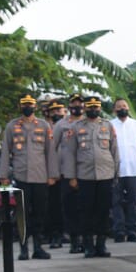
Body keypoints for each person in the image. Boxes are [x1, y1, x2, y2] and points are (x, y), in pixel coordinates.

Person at [0, 93, 55, 260]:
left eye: (30, 104)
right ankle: (24, 249)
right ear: (20, 106)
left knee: (40, 213)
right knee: (22, 214)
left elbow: (50, 152)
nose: (27, 107)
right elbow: (5, 152)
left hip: (40, 177)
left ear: (35, 107)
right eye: (24, 104)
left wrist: (52, 174)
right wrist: (3, 175)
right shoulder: (12, 126)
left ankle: (38, 247)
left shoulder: (44, 126)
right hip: (21, 175)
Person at [70, 97, 118, 258]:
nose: (93, 110)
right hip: (85, 176)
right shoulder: (77, 127)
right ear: (85, 109)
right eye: (90, 107)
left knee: (103, 211)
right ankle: (88, 245)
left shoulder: (107, 125)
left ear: (99, 109)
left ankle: (101, 244)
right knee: (86, 212)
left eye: (96, 107)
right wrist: (72, 176)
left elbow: (114, 151)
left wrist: (115, 173)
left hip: (105, 174)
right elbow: (71, 154)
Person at [109, 98, 136, 244]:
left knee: (133, 202)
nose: (122, 108)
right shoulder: (109, 125)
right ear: (114, 110)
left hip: (134, 170)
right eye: (119, 106)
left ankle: (132, 231)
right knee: (115, 202)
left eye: (124, 106)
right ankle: (119, 231)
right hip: (115, 171)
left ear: (128, 108)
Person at [54, 94, 84, 252]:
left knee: (85, 208)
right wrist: (53, 171)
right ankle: (74, 241)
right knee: (70, 208)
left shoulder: (89, 123)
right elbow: (53, 148)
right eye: (74, 103)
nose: (77, 106)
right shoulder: (61, 125)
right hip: (66, 172)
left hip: (86, 172)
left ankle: (86, 240)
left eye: (80, 104)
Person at [40, 98, 67, 247]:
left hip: (66, 172)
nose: (56, 113)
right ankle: (50, 234)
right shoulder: (44, 127)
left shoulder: (69, 126)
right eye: (53, 111)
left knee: (64, 205)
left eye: (59, 110)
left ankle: (62, 233)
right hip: (50, 173)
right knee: (51, 205)